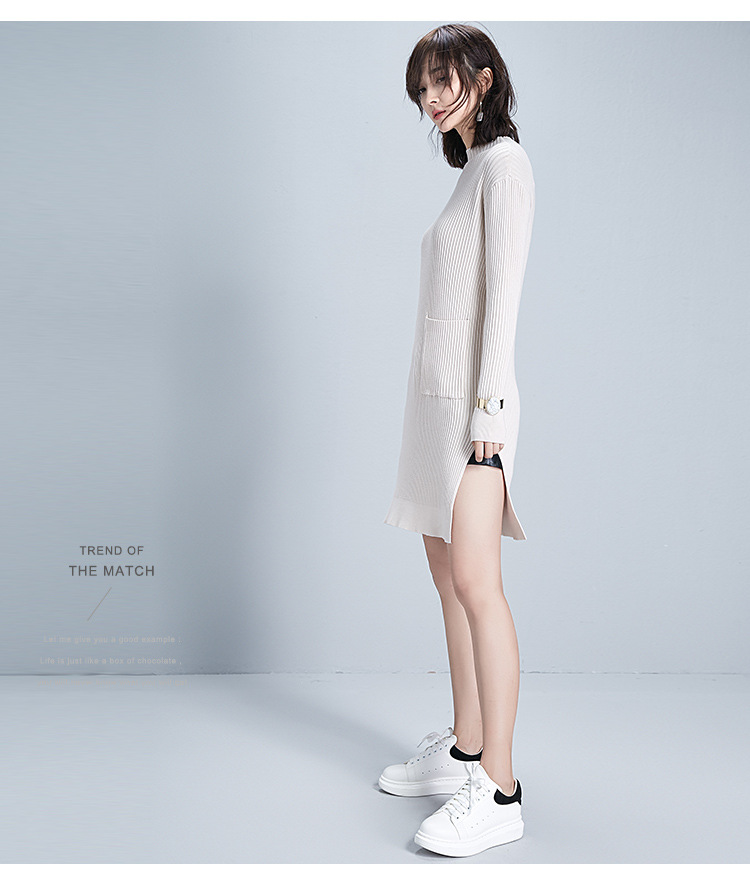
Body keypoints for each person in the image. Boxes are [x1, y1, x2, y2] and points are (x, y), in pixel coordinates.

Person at [381, 23, 536, 858]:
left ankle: (499, 790)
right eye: (422, 89)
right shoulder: (471, 168)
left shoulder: (505, 166)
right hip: (436, 408)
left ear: (482, 78)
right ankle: (465, 747)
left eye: (442, 81)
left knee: (478, 583)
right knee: (447, 576)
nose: (431, 99)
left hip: (474, 412)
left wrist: (490, 421)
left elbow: (502, 304)